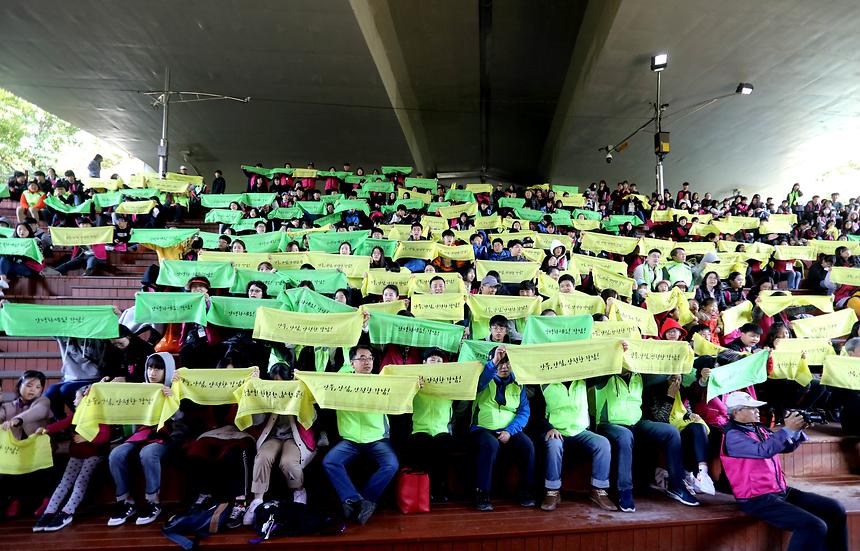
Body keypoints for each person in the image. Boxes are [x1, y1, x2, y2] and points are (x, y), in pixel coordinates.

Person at [721, 392, 846, 551]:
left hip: (778, 490)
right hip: (755, 498)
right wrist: (787, 429)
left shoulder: (757, 428)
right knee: (813, 526)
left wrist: (796, 431)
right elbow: (763, 450)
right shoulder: (732, 435)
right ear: (736, 412)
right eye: (751, 408)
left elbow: (785, 447)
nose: (757, 410)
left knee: (835, 508)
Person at [322, 345, 399, 525]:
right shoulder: (340, 382)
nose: (367, 362)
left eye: (370, 358)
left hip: (378, 438)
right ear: (352, 363)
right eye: (362, 358)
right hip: (351, 440)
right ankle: (352, 499)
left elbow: (402, 392)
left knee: (391, 464)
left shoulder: (382, 382)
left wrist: (415, 385)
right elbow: (319, 384)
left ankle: (367, 500)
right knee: (330, 461)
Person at [107, 352, 185, 527]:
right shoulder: (140, 390)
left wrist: (173, 400)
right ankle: (126, 501)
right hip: (140, 435)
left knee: (148, 454)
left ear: (167, 370)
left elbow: (182, 423)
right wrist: (99, 389)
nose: (152, 373)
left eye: (158, 368)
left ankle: (153, 501)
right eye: (150, 368)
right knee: (116, 455)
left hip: (165, 437)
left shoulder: (176, 388)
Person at [245, 363, 317, 525]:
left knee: (288, 462)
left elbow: (311, 418)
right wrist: (256, 393)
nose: (278, 386)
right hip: (272, 437)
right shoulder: (267, 392)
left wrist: (300, 391)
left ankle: (298, 491)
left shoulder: (298, 389)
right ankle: (257, 500)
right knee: (263, 457)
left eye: (282, 382)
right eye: (275, 382)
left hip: (294, 438)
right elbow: (256, 421)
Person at [533, 373, 617, 512]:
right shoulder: (544, 383)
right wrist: (549, 428)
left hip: (580, 431)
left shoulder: (583, 379)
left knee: (603, 443)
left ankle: (599, 490)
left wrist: (617, 359)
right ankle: (552, 491)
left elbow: (604, 374)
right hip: (556, 431)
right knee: (554, 445)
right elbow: (536, 413)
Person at [33, 385, 110, 532]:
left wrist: (87, 438)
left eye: (77, 398)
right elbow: (62, 423)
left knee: (80, 482)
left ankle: (67, 512)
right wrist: (47, 429)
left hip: (93, 455)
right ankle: (49, 511)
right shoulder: (77, 415)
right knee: (64, 482)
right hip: (76, 454)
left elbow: (105, 436)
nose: (74, 401)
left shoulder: (100, 417)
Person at [472, 346, 534, 512]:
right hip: (483, 428)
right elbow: (478, 385)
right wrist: (494, 362)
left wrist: (509, 431)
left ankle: (525, 491)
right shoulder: (483, 378)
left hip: (509, 429)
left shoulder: (518, 383)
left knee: (527, 445)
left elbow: (524, 412)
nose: (504, 366)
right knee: (490, 445)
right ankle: (482, 493)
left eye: (507, 362)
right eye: (500, 362)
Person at [0, 370, 52, 518]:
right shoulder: (7, 406)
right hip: (15, 450)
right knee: (9, 470)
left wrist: (17, 420)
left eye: (38, 387)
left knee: (44, 469)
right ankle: (14, 500)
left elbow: (39, 412)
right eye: (29, 385)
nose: (33, 390)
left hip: (37, 448)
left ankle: (47, 501)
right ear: (19, 385)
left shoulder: (43, 401)